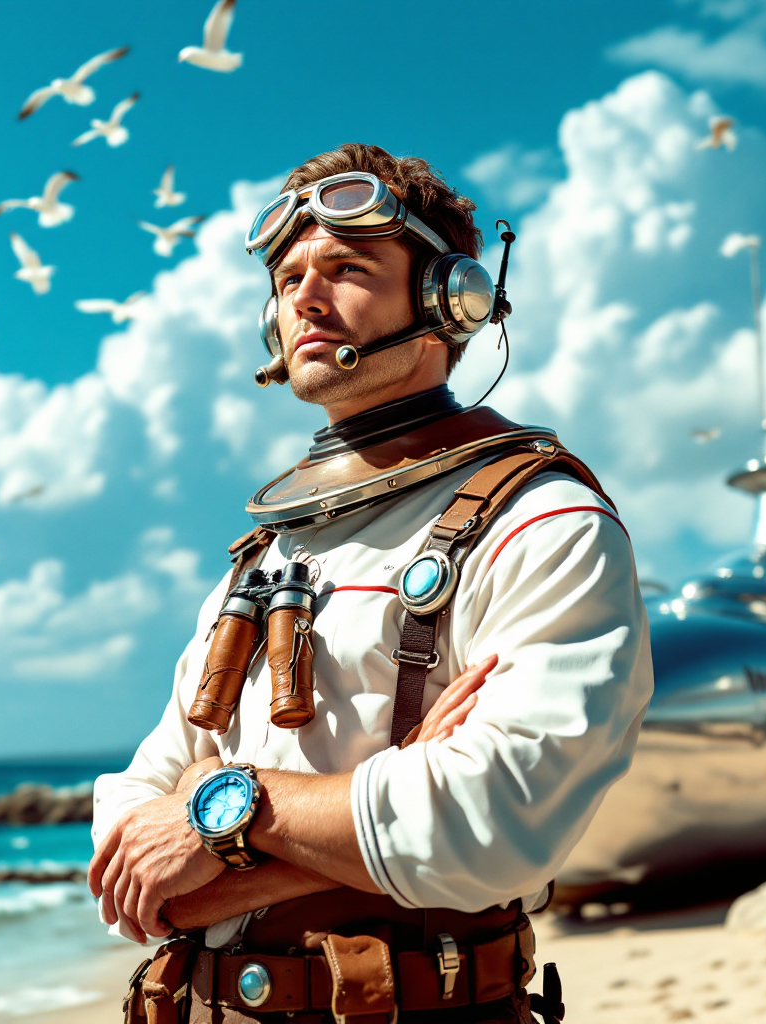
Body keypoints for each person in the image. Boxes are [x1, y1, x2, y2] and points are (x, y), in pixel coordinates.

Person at [89, 144, 653, 1024]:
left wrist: (221, 814)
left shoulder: (540, 520)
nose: (305, 297)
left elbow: (493, 821)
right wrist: (386, 792)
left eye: (347, 268)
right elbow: (131, 849)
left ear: (449, 298)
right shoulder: (264, 554)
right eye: (287, 280)